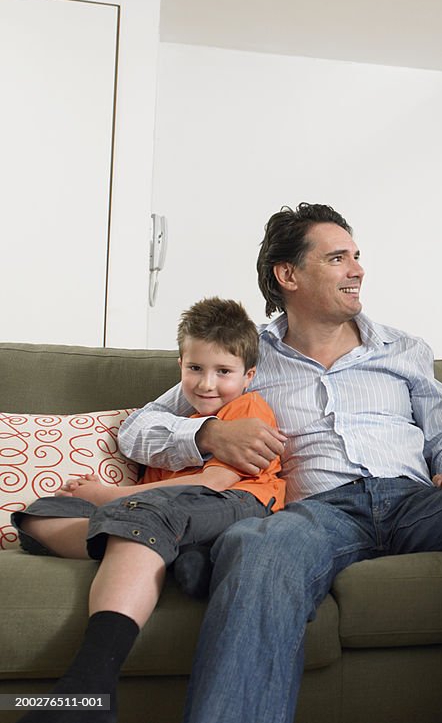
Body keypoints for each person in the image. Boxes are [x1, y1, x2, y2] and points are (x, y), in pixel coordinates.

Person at [115, 203, 442, 723]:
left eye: (356, 256)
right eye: (337, 258)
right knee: (254, 546)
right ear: (289, 275)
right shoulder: (245, 356)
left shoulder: (404, 349)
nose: (357, 270)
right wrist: (211, 431)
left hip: (419, 502)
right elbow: (137, 428)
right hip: (319, 513)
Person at [13, 297, 285, 723]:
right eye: (195, 369)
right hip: (161, 515)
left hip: (237, 505)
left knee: (145, 515)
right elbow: (137, 440)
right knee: (39, 514)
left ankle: (90, 685)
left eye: (224, 372)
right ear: (180, 365)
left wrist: (110, 496)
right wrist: (122, 501)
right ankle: (181, 556)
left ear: (248, 375)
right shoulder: (171, 420)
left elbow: (213, 482)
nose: (207, 384)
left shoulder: (248, 410)